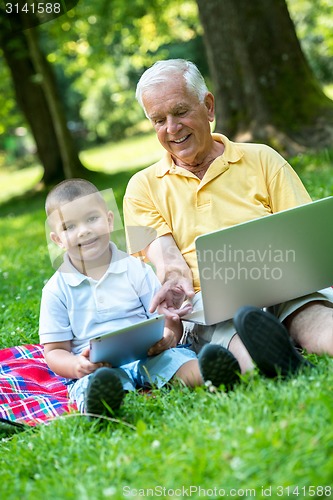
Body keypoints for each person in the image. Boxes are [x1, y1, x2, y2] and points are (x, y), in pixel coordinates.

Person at [123, 59, 333, 383]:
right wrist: (174, 281)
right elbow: (164, 255)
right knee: (235, 341)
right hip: (210, 306)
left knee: (315, 318)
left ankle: (291, 343)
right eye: (159, 120)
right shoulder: (140, 187)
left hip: (284, 282)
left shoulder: (262, 158)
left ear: (208, 106)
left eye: (180, 112)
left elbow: (306, 236)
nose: (172, 128)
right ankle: (280, 363)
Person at [39, 179, 238, 419]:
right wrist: (75, 366)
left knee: (176, 360)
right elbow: (54, 351)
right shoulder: (56, 289)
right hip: (97, 367)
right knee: (94, 383)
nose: (84, 231)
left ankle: (212, 373)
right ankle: (103, 402)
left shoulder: (135, 269)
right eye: (69, 227)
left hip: (148, 353)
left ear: (110, 220)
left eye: (92, 219)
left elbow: (164, 317)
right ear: (57, 239)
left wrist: (168, 336)